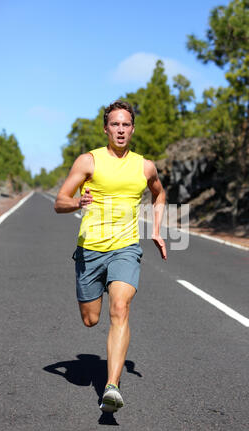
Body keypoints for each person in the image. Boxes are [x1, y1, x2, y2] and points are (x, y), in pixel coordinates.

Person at [54, 100, 166, 412]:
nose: (120, 129)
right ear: (106, 129)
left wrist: (156, 230)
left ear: (132, 129)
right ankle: (94, 296)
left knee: (120, 308)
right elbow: (59, 201)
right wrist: (77, 203)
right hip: (90, 251)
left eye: (125, 124)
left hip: (125, 247)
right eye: (114, 124)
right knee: (91, 320)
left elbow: (159, 193)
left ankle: (111, 387)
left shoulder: (144, 167)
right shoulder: (88, 162)